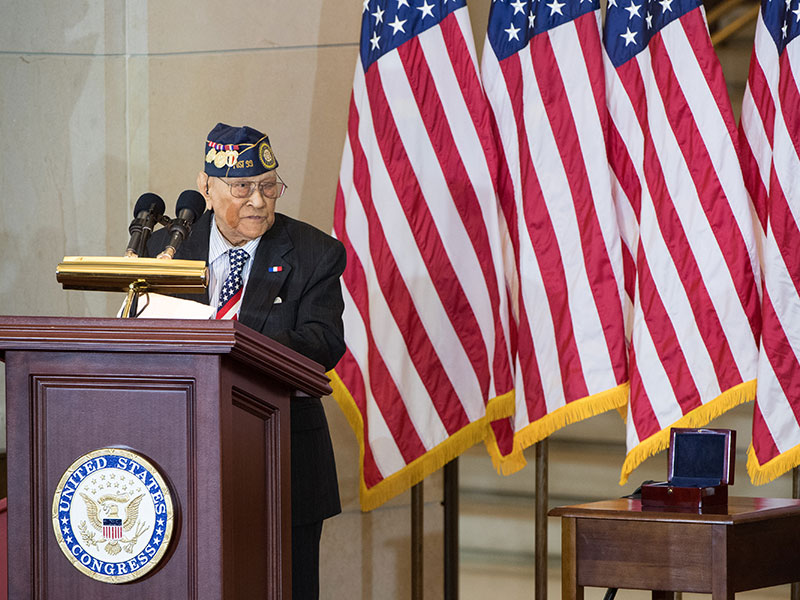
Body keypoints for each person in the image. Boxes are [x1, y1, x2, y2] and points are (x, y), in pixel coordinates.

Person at [145, 122, 345, 599]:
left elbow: (322, 341)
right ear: (206, 189)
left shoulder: (315, 253)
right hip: (179, 460)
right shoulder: (164, 252)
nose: (258, 201)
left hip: (283, 463)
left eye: (268, 186)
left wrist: (224, 336)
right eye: (242, 187)